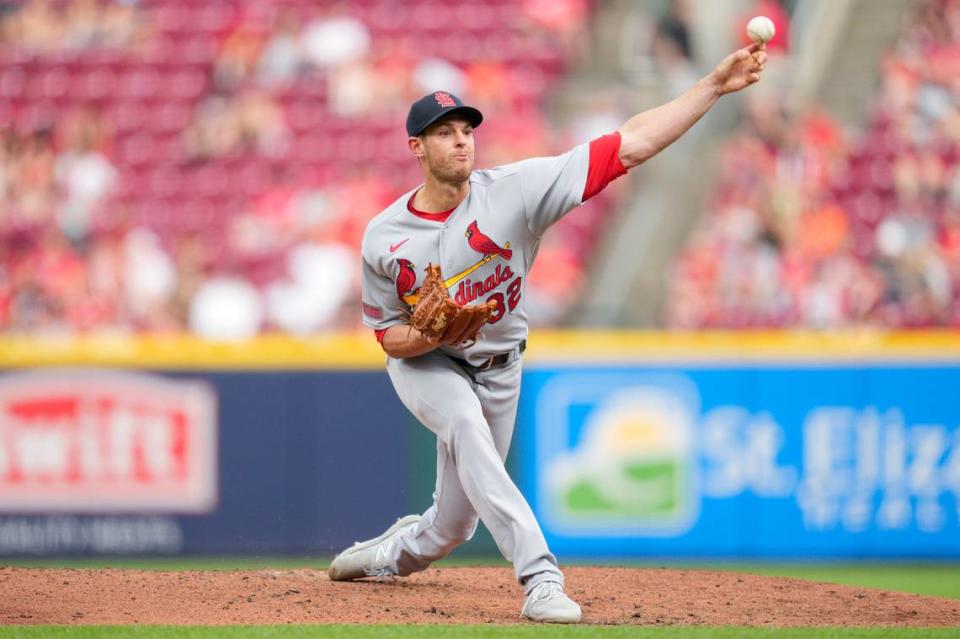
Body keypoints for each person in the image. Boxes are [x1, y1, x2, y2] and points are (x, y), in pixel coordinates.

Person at [329, 43, 769, 623]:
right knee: (461, 422)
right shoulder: (384, 236)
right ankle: (541, 578)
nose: (461, 139)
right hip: (428, 366)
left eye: (466, 128)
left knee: (452, 527)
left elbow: (630, 145)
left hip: (500, 364)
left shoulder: (515, 190)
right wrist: (427, 334)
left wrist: (712, 85)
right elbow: (388, 338)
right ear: (417, 147)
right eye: (443, 132)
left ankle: (389, 553)